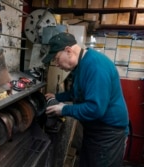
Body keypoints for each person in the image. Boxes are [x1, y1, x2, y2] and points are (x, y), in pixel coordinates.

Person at [42, 32, 129, 167]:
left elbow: (95, 109)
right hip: (94, 129)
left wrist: (63, 109)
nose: (57, 64)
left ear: (68, 51)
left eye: (57, 58)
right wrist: (57, 97)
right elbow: (77, 93)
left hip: (108, 134)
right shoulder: (81, 65)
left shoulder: (95, 66)